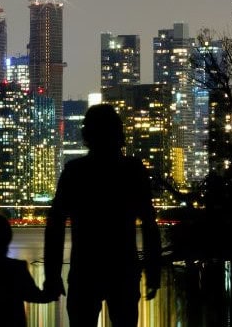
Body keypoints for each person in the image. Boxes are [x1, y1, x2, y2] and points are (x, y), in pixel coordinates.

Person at [43, 103, 161, 327]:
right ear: (119, 133)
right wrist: (153, 271)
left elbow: (55, 225)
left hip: (85, 268)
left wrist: (52, 274)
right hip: (123, 267)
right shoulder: (133, 170)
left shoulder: (75, 171)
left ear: (87, 135)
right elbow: (148, 223)